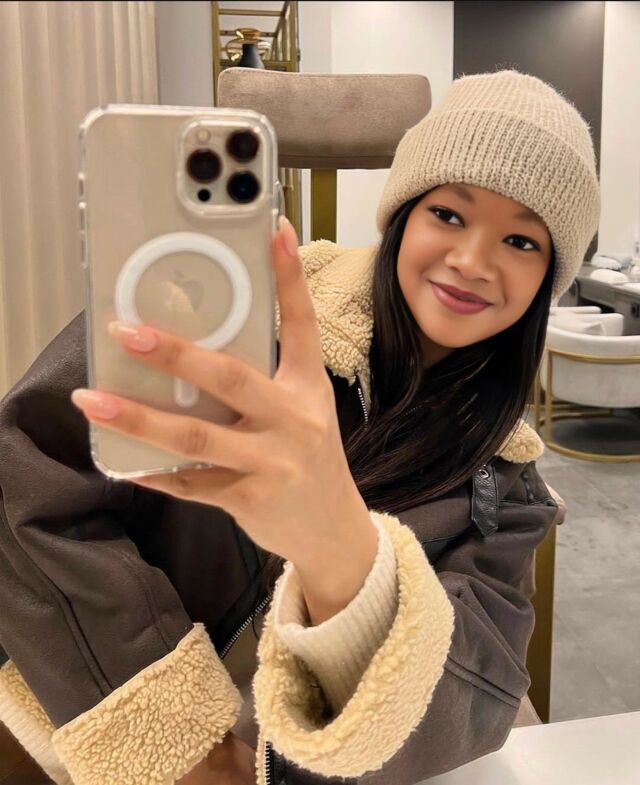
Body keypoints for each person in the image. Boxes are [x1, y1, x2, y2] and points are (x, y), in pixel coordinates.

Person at [0, 69, 599, 785]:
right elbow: (26, 476)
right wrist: (178, 741)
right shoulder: (238, 315)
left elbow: (467, 701)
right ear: (402, 215)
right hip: (79, 730)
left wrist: (338, 546)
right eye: (448, 213)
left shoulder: (507, 492)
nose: (472, 261)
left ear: (549, 279)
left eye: (522, 242)